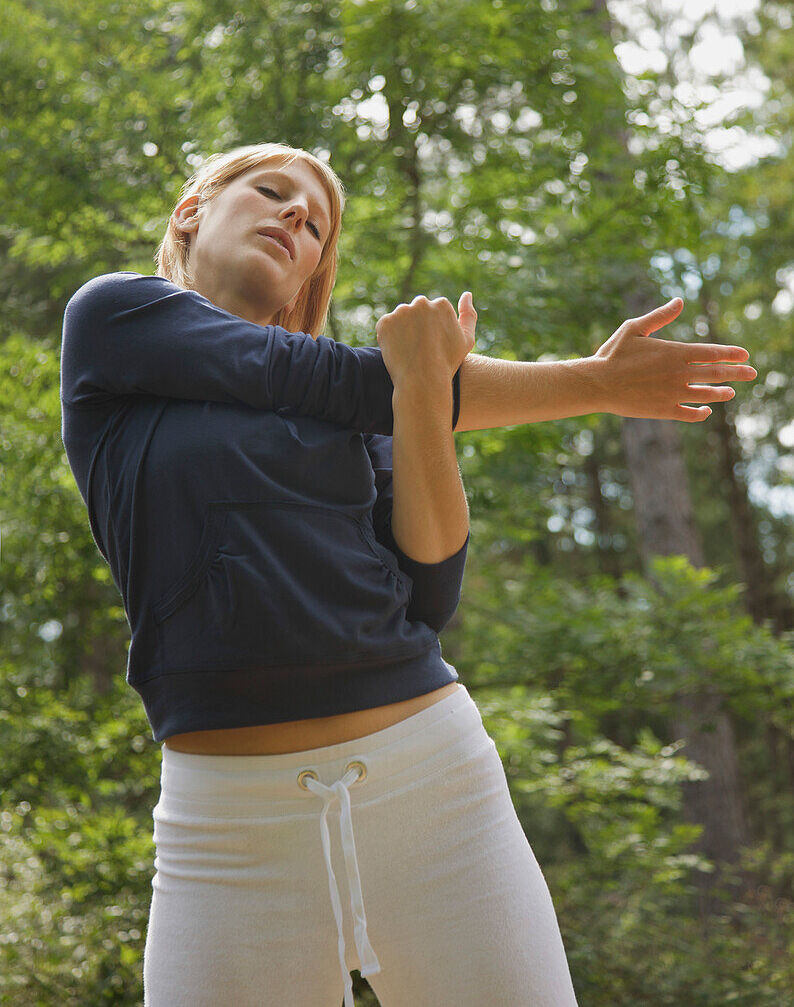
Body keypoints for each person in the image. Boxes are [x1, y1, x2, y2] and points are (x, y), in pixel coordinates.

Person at [59, 142, 756, 1006]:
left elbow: (430, 587)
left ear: (313, 268)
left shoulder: (357, 407)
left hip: (434, 785)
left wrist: (423, 401)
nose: (293, 219)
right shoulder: (117, 319)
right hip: (226, 823)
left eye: (314, 225)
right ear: (192, 211)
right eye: (272, 193)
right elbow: (315, 374)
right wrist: (590, 381)